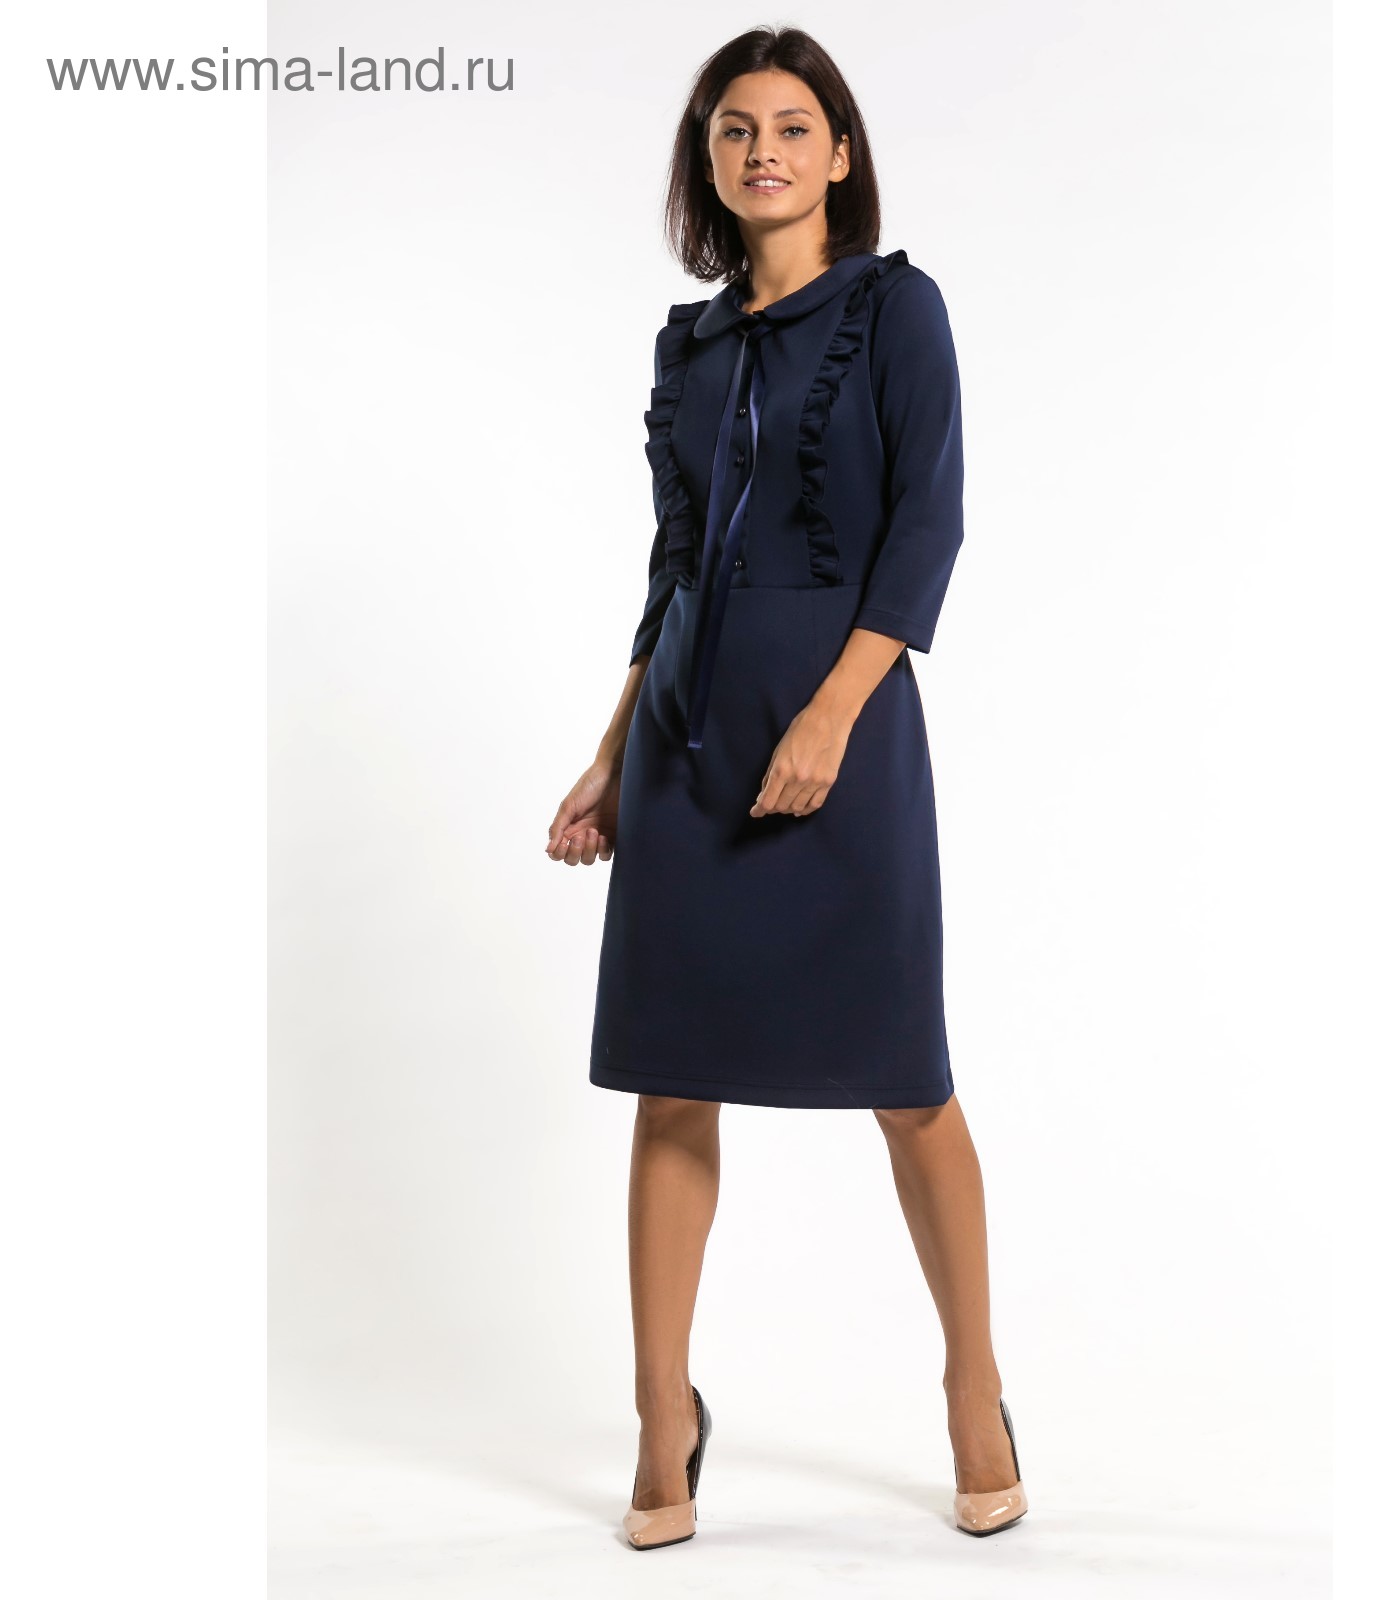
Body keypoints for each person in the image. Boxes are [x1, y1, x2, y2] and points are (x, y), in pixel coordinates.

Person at [547, 26, 1026, 1548]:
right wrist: (612, 750)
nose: (763, 150)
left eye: (792, 126)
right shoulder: (684, 346)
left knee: (906, 1077)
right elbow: (675, 562)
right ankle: (661, 1422)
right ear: (707, 159)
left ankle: (973, 1390)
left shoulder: (897, 309)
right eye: (735, 128)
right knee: (671, 1079)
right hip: (688, 740)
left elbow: (927, 527)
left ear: (839, 154)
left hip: (844, 729)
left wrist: (828, 714)